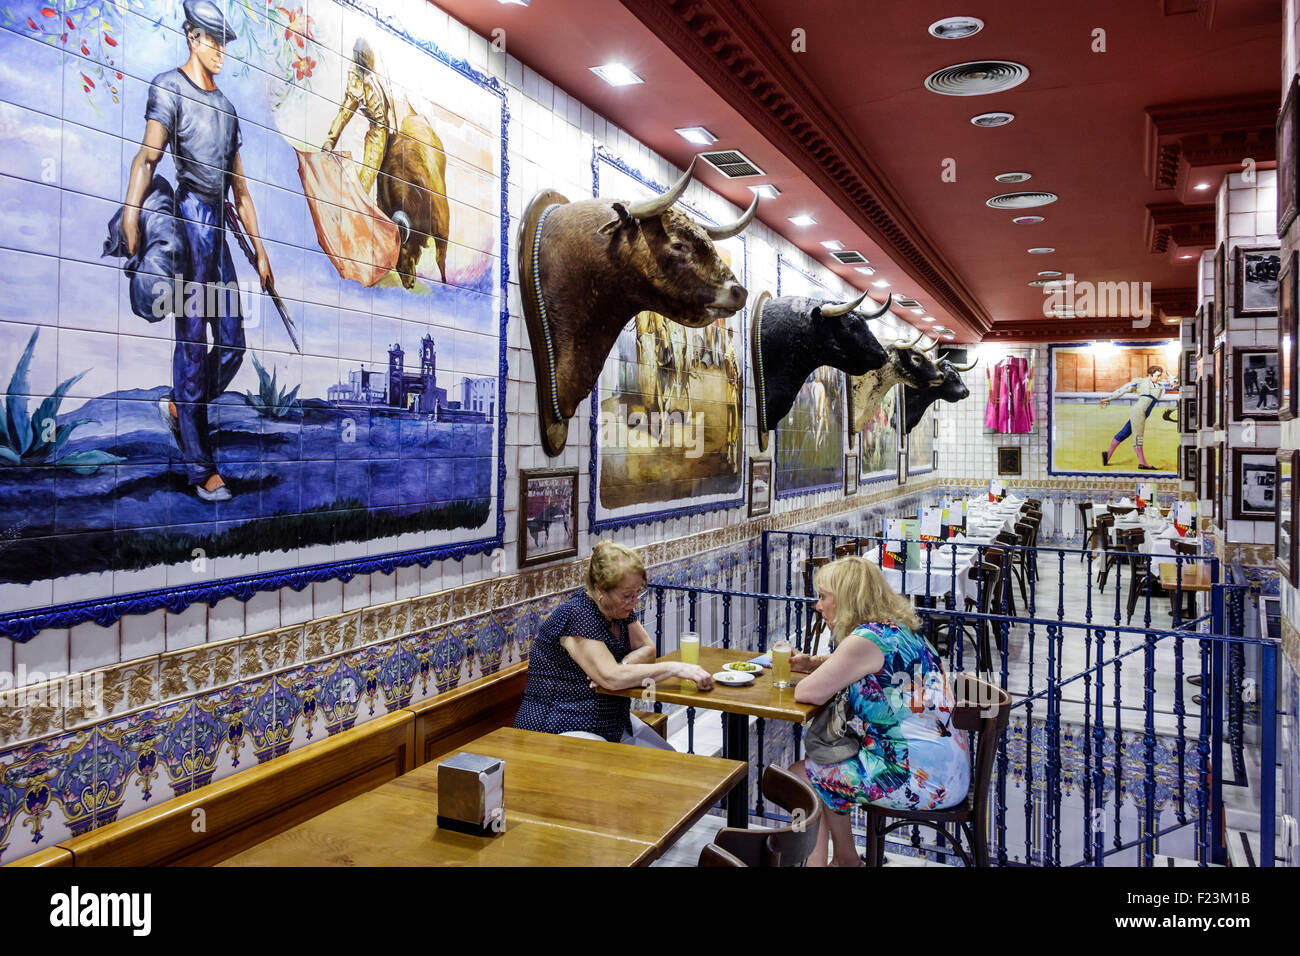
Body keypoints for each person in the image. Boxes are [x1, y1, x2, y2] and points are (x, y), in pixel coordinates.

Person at [120, 0, 272, 502]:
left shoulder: (227, 111)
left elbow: (242, 193)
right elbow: (147, 157)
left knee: (232, 342)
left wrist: (262, 253)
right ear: (190, 36)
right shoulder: (169, 87)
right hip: (188, 221)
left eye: (224, 41)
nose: (220, 50)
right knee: (190, 341)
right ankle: (201, 468)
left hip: (220, 230)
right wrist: (130, 213)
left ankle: (180, 408)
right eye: (212, 39)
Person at [788, 556, 969, 867]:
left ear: (845, 599)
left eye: (823, 596)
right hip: (947, 768)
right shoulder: (897, 629)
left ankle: (817, 864)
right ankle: (845, 859)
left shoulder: (865, 639)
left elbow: (807, 692)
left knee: (800, 776)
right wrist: (814, 663)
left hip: (918, 776)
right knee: (824, 766)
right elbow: (862, 667)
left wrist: (811, 670)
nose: (818, 606)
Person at [514, 540, 713, 748]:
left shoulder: (618, 610)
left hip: (611, 723)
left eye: (638, 592)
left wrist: (621, 668)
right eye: (627, 595)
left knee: (669, 762)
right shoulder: (578, 615)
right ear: (600, 590)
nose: (634, 600)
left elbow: (648, 651)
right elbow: (612, 679)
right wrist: (674, 668)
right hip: (559, 727)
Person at [320, 37, 396, 195]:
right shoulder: (355, 80)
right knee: (365, 183)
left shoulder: (378, 63)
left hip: (391, 124)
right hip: (378, 129)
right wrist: (330, 141)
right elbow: (345, 112)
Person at [1099, 365, 1172, 471]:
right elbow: (1123, 390)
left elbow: (1172, 384)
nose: (1159, 378)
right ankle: (1143, 463)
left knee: (1124, 433)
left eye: (1160, 376)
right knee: (1138, 437)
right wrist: (1109, 398)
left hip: (1141, 413)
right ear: (1150, 375)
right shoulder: (1141, 382)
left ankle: (1107, 456)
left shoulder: (1160, 384)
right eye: (1157, 376)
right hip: (1139, 412)